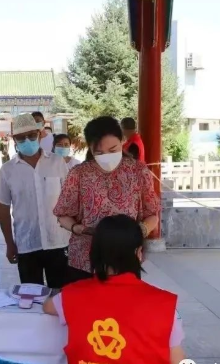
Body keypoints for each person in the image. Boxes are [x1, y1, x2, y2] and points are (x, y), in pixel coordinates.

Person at [43, 215, 187, 364]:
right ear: (138, 253)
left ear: (94, 253)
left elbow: (47, 307)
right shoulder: (165, 305)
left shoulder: (71, 295)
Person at [53, 116, 160, 284]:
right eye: (99, 153)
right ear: (90, 149)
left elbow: (152, 214)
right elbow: (62, 214)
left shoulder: (138, 171)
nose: (107, 156)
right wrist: (76, 228)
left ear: (122, 141)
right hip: (85, 260)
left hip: (126, 259)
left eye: (113, 149)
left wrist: (138, 232)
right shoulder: (79, 174)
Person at [0, 113, 70, 289]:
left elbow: (69, 201)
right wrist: (9, 244)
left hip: (58, 241)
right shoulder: (7, 170)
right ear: (14, 139)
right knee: (31, 296)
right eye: (21, 137)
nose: (27, 140)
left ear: (39, 134)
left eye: (31, 135)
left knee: (60, 295)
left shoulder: (57, 163)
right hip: (26, 244)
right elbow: (3, 210)